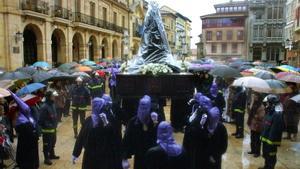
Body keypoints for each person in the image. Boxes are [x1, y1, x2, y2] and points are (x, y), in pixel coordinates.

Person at [72, 98, 122, 169]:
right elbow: (81, 137)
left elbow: (115, 137)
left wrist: (75, 153)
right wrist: (75, 153)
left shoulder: (104, 121)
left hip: (100, 156)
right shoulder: (89, 121)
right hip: (95, 156)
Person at [183, 96, 228, 169]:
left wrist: (214, 156)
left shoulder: (219, 127)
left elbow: (223, 146)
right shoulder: (199, 125)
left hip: (211, 161)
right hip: (203, 160)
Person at [122, 95, 161, 169]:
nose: (143, 111)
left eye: (145, 108)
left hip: (154, 157)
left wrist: (156, 124)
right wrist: (124, 158)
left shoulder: (155, 119)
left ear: (150, 108)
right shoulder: (133, 122)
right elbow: (126, 140)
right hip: (139, 157)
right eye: (141, 107)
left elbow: (163, 137)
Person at [11, 92, 39, 169]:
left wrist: (12, 94)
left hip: (28, 131)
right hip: (27, 131)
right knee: (26, 149)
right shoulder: (22, 110)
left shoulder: (25, 109)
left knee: (27, 149)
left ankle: (29, 164)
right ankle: (28, 164)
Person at [259, 95, 284, 169]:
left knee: (271, 156)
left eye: (267, 103)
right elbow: (266, 126)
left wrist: (271, 142)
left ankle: (270, 167)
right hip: (266, 139)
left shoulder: (277, 114)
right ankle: (266, 166)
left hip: (271, 141)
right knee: (266, 155)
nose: (266, 105)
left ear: (272, 103)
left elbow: (275, 130)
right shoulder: (269, 112)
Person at [39, 91, 60, 165]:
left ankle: (52, 155)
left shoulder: (52, 104)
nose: (54, 97)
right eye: (52, 96)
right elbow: (41, 120)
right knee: (47, 144)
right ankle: (46, 158)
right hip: (47, 130)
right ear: (49, 97)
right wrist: (48, 125)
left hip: (53, 128)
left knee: (53, 142)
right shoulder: (44, 107)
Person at [247, 92, 265, 157]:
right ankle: (253, 150)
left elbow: (261, 116)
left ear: (259, 97)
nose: (254, 97)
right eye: (254, 96)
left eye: (256, 96)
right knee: (252, 138)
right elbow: (249, 112)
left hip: (258, 125)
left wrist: (256, 116)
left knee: (257, 139)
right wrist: (251, 102)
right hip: (253, 124)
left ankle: (257, 152)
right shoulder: (254, 104)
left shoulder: (261, 106)